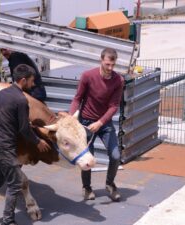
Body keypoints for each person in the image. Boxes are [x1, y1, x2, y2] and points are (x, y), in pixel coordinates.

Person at [0, 64, 51, 225]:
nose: (33, 84)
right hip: (4, 147)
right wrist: (38, 141)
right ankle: (8, 220)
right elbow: (23, 129)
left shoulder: (2, 93)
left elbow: (2, 118)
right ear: (23, 80)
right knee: (15, 184)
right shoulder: (21, 100)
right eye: (31, 81)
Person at [69, 48, 124, 202]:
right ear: (101, 60)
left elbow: (114, 106)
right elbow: (77, 98)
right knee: (87, 160)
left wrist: (100, 122)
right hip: (86, 123)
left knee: (115, 156)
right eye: (107, 64)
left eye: (113, 65)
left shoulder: (118, 80)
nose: (110, 68)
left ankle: (110, 184)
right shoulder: (88, 76)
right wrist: (72, 116)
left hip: (104, 123)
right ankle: (87, 188)